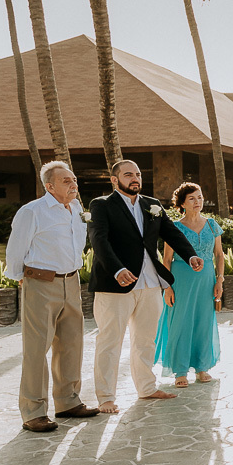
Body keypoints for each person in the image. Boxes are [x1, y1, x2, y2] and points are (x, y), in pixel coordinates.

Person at [89, 160, 203, 414]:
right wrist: (117, 269)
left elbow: (171, 233)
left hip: (150, 282)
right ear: (114, 180)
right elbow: (99, 240)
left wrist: (190, 255)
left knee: (146, 340)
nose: (135, 178)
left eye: (138, 174)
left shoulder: (152, 204)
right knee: (110, 341)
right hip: (114, 284)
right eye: (128, 174)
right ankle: (106, 397)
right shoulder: (101, 205)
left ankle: (147, 388)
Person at [4, 161, 99, 432]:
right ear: (50, 186)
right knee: (37, 349)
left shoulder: (77, 209)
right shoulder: (32, 212)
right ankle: (33, 411)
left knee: (71, 344)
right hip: (41, 284)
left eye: (74, 180)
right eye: (67, 181)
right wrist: (20, 277)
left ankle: (68, 401)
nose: (74, 185)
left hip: (71, 282)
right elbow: (16, 249)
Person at [154, 183, 224, 389]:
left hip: (207, 280)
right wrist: (167, 287)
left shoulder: (212, 225)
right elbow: (166, 260)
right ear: (182, 203)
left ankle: (202, 367)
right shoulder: (174, 228)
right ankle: (180, 370)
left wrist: (219, 280)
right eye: (192, 198)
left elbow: (219, 255)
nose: (198, 202)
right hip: (181, 280)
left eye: (200, 197)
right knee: (180, 323)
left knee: (203, 322)